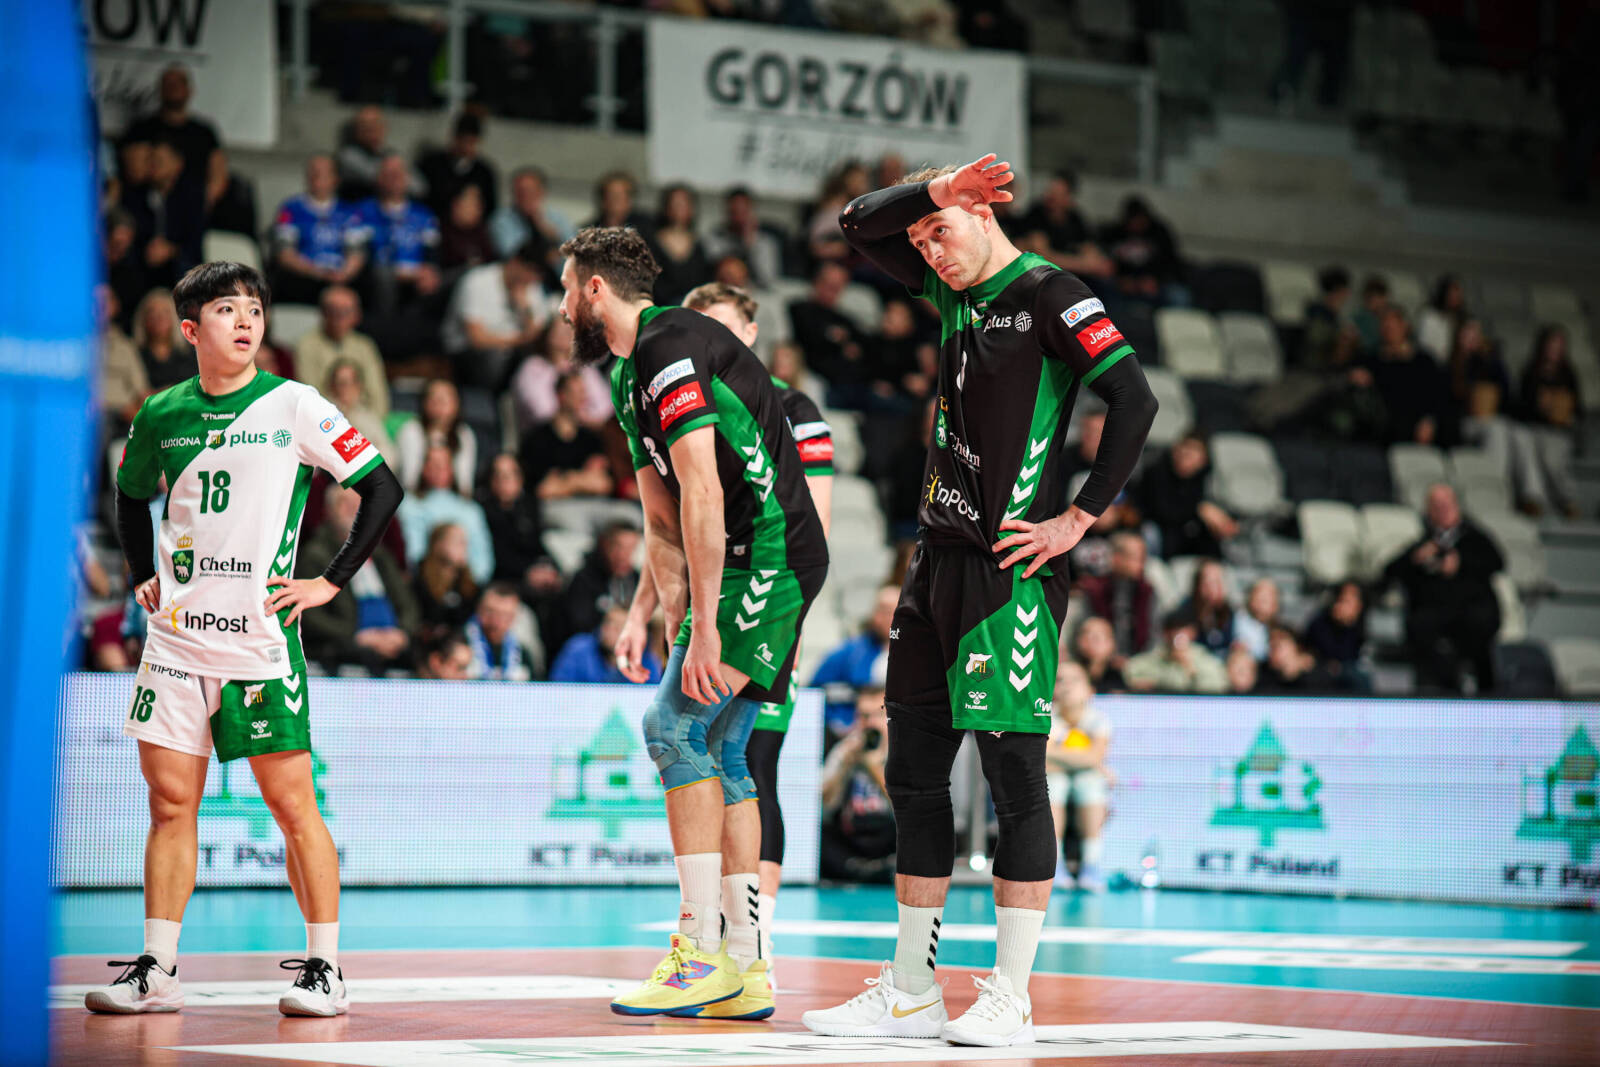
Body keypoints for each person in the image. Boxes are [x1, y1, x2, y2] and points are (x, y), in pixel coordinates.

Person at [804, 154, 1156, 1047]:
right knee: (912, 774)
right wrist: (930, 197)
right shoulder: (953, 293)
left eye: (942, 233)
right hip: (934, 565)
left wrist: (1078, 518)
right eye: (921, 238)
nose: (929, 250)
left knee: (1014, 780)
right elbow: (855, 224)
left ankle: (1012, 993)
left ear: (985, 216)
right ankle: (911, 988)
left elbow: (1134, 397)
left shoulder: (1051, 293)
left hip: (1010, 571)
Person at [92, 261, 403, 1018]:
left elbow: (381, 486)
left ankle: (325, 969)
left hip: (258, 643)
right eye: (227, 310)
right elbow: (130, 497)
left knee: (293, 805)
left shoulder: (295, 404)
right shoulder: (161, 410)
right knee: (171, 804)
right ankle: (158, 968)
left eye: (255, 311)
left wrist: (329, 581)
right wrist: (142, 571)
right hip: (174, 643)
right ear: (190, 329)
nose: (246, 321)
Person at [557, 225, 828, 1021]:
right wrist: (654, 612)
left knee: (671, 726)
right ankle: (746, 966)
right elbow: (662, 514)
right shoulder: (625, 375)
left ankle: (700, 950)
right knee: (724, 747)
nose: (562, 307)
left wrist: (705, 626)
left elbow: (705, 491)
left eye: (567, 289)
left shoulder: (669, 345)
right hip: (742, 559)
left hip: (770, 552)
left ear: (595, 289)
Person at [685, 280, 835, 980]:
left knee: (751, 756)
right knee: (703, 751)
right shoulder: (688, 401)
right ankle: (718, 924)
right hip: (714, 603)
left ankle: (755, 934)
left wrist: (788, 620)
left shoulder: (795, 410)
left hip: (773, 600)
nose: (710, 340)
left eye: (723, 326)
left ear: (750, 332)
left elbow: (815, 525)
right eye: (699, 327)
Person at [1382, 483, 1503, 693]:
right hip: (1434, 617)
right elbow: (1389, 571)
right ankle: (1441, 691)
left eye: (1447, 505)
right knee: (1423, 630)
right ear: (1429, 511)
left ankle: (1488, 695)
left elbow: (1497, 562)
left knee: (1478, 632)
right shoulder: (1425, 543)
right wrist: (1416, 559)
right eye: (1437, 506)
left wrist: (1461, 563)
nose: (1443, 510)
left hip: (1471, 614)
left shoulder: (1475, 539)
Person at [295, 484, 418, 675]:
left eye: (359, 504)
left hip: (392, 639)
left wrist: (402, 633)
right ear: (328, 511)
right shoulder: (315, 555)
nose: (353, 509)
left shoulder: (381, 555)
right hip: (346, 645)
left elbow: (407, 604)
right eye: (344, 503)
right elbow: (310, 616)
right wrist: (355, 635)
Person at [442, 241, 549, 387]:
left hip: (509, 351)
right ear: (515, 262)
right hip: (466, 351)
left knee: (536, 359)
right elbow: (476, 339)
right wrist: (520, 340)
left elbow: (536, 336)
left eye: (537, 275)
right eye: (530, 271)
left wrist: (524, 309)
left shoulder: (531, 287)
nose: (532, 279)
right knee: (495, 356)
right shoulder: (477, 281)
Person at [1044, 662, 1111, 891]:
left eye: (1075, 680)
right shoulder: (1046, 717)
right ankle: (1054, 864)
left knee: (1090, 783)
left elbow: (1094, 758)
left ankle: (1091, 865)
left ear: (1089, 689)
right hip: (1055, 777)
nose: (1067, 686)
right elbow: (1041, 760)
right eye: (1060, 680)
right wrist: (1083, 759)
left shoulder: (1098, 720)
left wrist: (1055, 754)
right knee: (1054, 784)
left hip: (1085, 779)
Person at [819, 686, 896, 884]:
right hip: (854, 834)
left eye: (878, 715)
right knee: (820, 838)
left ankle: (870, 870)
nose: (870, 723)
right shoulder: (846, 750)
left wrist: (875, 769)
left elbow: (908, 812)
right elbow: (824, 807)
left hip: (890, 834)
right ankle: (863, 870)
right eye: (863, 716)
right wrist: (843, 766)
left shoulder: (903, 752)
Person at [271, 155, 367, 306]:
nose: (317, 178)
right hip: (304, 276)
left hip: (339, 276)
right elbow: (285, 254)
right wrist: (315, 272)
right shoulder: (291, 208)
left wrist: (344, 274)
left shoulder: (350, 212)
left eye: (323, 173)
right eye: (313, 172)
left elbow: (357, 253)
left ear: (335, 179)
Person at [354, 153, 441, 319]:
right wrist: (403, 273)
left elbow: (432, 253)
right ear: (378, 178)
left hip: (418, 276)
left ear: (407, 178)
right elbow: (359, 255)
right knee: (382, 276)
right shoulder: (363, 211)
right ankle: (386, 325)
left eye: (398, 174)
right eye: (389, 174)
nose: (394, 179)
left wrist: (430, 270)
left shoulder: (423, 214)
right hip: (381, 275)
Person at [397, 444, 494, 585]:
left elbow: (483, 561)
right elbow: (413, 553)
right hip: (426, 581)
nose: (439, 469)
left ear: (452, 468)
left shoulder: (471, 509)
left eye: (443, 464)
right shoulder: (409, 505)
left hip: (467, 583)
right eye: (433, 464)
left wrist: (469, 583)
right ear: (423, 468)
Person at [810, 584, 898, 735]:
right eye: (881, 610)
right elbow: (814, 693)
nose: (886, 618)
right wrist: (839, 725)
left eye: (892, 611)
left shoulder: (916, 656)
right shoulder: (849, 653)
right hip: (851, 733)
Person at [478, 452, 561, 607]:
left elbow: (537, 544)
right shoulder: (483, 511)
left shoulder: (528, 507)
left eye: (510, 475)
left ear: (520, 479)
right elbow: (497, 554)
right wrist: (528, 572)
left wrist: (551, 567)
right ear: (491, 480)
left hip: (532, 574)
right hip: (505, 580)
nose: (504, 481)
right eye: (498, 475)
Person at [1138, 431, 1238, 559]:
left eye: (1193, 452)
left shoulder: (1205, 479)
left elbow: (1215, 513)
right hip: (1158, 530)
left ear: (1203, 460)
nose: (1185, 454)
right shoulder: (1156, 471)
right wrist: (1199, 509)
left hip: (1187, 533)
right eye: (1184, 448)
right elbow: (1162, 512)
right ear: (1175, 451)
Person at [1518, 326, 1583, 519]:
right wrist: (1541, 406)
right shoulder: (1531, 372)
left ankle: (1567, 500)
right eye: (1551, 344)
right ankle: (1535, 500)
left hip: (1559, 431)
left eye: (1558, 345)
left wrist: (1567, 415)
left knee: (1551, 454)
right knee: (1528, 445)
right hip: (1535, 427)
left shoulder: (1568, 374)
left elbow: (1577, 408)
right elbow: (1521, 406)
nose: (1554, 349)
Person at [518, 371, 613, 500]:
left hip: (592, 504)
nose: (583, 399)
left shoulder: (591, 440)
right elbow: (543, 490)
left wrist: (568, 479)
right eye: (577, 393)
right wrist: (584, 479)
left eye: (583, 392)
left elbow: (603, 485)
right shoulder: (537, 440)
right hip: (554, 506)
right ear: (561, 396)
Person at [295, 286, 389, 417]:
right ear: (323, 313)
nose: (339, 317)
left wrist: (367, 417)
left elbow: (379, 398)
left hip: (363, 416)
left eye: (346, 311)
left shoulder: (365, 346)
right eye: (333, 311)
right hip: (324, 419)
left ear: (357, 315)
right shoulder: (307, 345)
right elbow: (309, 395)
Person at [511, 317, 613, 430]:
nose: (564, 333)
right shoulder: (532, 367)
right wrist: (573, 413)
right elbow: (540, 410)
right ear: (548, 334)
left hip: (584, 432)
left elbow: (605, 407)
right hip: (544, 434)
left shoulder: (585, 368)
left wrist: (583, 417)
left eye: (569, 330)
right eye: (558, 329)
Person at [557, 521, 643, 655]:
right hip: (595, 650)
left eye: (630, 548)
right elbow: (579, 625)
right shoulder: (584, 579)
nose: (623, 555)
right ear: (605, 545)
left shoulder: (638, 579)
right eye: (618, 547)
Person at [1014, 171, 1113, 281]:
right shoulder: (1035, 214)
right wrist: (1084, 265)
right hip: (1043, 277)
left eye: (1057, 193)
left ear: (1068, 197)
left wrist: (1095, 262)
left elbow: (1090, 250)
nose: (1050, 196)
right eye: (1050, 190)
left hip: (1071, 276)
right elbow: (1043, 257)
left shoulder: (1074, 217)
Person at [1077, 531, 1157, 660]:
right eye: (1136, 558)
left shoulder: (1146, 591)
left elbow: (1155, 632)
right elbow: (1087, 630)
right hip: (1100, 659)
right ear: (1117, 558)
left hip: (1141, 661)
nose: (1141, 564)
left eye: (1143, 558)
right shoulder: (1096, 589)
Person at [395, 379, 477, 494]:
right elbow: (409, 482)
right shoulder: (411, 430)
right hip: (417, 498)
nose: (438, 404)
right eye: (433, 399)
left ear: (456, 404)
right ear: (424, 403)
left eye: (444, 400)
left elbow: (465, 486)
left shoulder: (464, 434)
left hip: (453, 499)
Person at [1099, 195, 1184, 306]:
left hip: (1156, 282)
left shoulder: (1159, 233)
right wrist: (1121, 279)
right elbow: (1105, 263)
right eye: (1133, 221)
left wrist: (1156, 280)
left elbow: (1171, 262)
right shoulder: (1114, 234)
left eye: (1140, 221)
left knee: (1178, 296)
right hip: (1122, 283)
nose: (1137, 225)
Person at [417, 111, 497, 220]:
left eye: (472, 142)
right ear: (455, 138)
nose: (467, 148)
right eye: (465, 141)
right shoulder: (431, 164)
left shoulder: (484, 173)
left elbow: (491, 209)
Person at [551, 605, 663, 684]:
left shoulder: (645, 660)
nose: (609, 630)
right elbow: (559, 688)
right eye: (607, 623)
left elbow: (652, 695)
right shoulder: (578, 650)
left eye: (618, 627)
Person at [703, 187, 788, 290]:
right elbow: (716, 272)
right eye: (735, 212)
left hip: (757, 293)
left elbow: (768, 280)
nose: (739, 218)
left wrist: (751, 246)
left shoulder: (766, 243)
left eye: (743, 211)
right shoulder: (715, 239)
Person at [336, 106, 424, 203]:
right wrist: (398, 174)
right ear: (356, 130)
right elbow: (381, 178)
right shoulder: (348, 156)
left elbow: (419, 187)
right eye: (364, 124)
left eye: (375, 123)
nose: (370, 128)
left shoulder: (392, 154)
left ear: (384, 127)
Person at [1124, 612, 1229, 693]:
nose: (1178, 634)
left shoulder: (1203, 658)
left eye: (1183, 629)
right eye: (1174, 629)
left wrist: (1189, 667)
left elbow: (1218, 685)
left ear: (1193, 632)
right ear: (1165, 633)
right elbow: (1131, 673)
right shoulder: (1157, 655)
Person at [491, 165, 575, 264]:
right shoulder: (501, 220)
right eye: (521, 192)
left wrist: (545, 228)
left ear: (542, 192)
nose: (526, 196)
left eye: (530, 191)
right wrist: (546, 255)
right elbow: (510, 253)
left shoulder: (557, 217)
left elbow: (573, 250)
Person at [1302, 580, 1371, 692]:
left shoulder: (1360, 626)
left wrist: (1348, 625)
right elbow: (1322, 652)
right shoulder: (1320, 623)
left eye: (1349, 601)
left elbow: (1353, 656)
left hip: (1349, 673)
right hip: (1321, 670)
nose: (1344, 605)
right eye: (1342, 599)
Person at [650, 184, 712, 305]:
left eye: (683, 203)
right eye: (674, 203)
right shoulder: (652, 241)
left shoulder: (700, 244)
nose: (678, 208)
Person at [464, 581, 539, 681]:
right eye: (490, 612)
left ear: (513, 617)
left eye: (504, 615)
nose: (495, 621)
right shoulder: (459, 646)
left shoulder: (522, 654)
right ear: (479, 609)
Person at [412, 522, 479, 630]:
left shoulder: (469, 584)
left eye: (466, 543)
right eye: (458, 543)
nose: (464, 548)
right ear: (438, 545)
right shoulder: (419, 578)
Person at [131, 288, 198, 392]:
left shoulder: (190, 354)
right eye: (152, 313)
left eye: (165, 312)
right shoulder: (133, 354)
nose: (159, 319)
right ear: (143, 320)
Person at [1175, 558, 1234, 657]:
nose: (1214, 587)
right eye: (1209, 582)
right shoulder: (1185, 611)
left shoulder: (1228, 612)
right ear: (1198, 584)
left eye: (1218, 581)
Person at [1256, 626, 1339, 694]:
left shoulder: (1319, 680)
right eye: (1270, 646)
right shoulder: (1263, 678)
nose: (1271, 652)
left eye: (1277, 646)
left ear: (1296, 646)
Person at [1231, 577, 1281, 661]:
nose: (1262, 598)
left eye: (1268, 595)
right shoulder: (1234, 620)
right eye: (1259, 593)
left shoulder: (1281, 632)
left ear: (1275, 604)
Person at [1072, 615, 1126, 692]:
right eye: (1085, 634)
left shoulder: (1123, 674)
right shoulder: (1069, 672)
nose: (1089, 641)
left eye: (1096, 637)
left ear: (1111, 643)